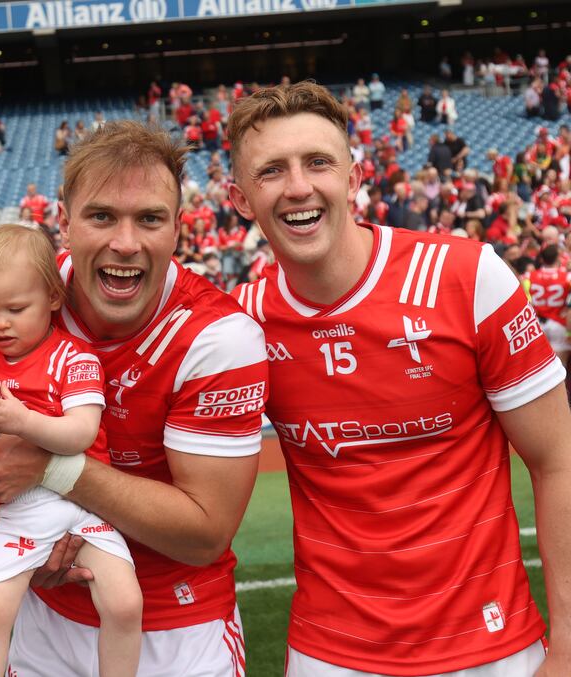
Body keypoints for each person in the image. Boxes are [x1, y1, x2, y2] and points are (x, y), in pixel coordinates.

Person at [226, 81, 571, 677]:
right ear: (239, 199)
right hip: (330, 654)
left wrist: (568, 645)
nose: (299, 187)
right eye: (271, 172)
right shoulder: (243, 325)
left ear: (355, 179)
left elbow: (558, 459)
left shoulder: (467, 278)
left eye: (318, 163)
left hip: (493, 647)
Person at [0, 121, 268, 675]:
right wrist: (30, 533)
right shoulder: (20, 298)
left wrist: (51, 471)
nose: (124, 243)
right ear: (64, 222)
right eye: (101, 215)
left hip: (175, 628)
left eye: (149, 218)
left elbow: (204, 535)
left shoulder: (218, 337)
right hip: (44, 617)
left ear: (179, 227)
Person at [0, 225, 141, 677]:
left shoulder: (75, 358)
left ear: (52, 297)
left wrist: (20, 421)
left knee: (125, 605)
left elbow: (81, 433)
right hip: (14, 511)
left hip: (84, 505)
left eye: (15, 309)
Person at [527, 244, 571, 367]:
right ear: (557, 258)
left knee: (542, 366)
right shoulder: (566, 276)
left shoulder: (531, 275)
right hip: (559, 323)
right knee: (560, 367)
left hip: (537, 323)